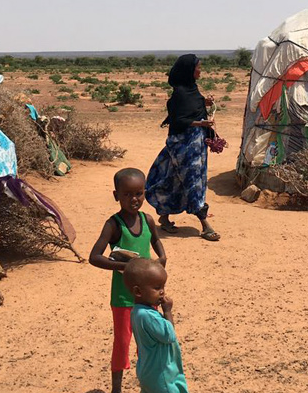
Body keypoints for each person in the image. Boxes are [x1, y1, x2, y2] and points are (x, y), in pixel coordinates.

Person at [89, 168, 168, 393]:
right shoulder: (113, 225)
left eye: (139, 194)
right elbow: (94, 257)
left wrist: (162, 258)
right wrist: (126, 266)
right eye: (127, 194)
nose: (134, 199)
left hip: (148, 295)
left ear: (145, 193)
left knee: (148, 341)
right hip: (123, 297)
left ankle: (150, 382)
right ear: (117, 196)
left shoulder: (148, 219)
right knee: (122, 344)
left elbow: (156, 240)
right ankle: (117, 389)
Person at [145, 54, 220, 241]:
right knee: (194, 182)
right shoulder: (179, 93)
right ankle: (205, 224)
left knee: (175, 179)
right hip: (183, 146)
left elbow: (191, 108)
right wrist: (200, 124)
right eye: (198, 67)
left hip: (197, 145)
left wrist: (205, 104)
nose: (200, 70)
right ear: (189, 70)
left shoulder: (193, 91)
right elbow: (178, 120)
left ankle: (164, 217)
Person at [123, 258, 188, 393]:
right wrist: (168, 311)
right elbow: (169, 335)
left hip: (148, 371)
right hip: (161, 375)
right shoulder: (148, 316)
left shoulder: (137, 311)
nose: (162, 292)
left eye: (163, 287)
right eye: (157, 288)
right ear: (138, 292)